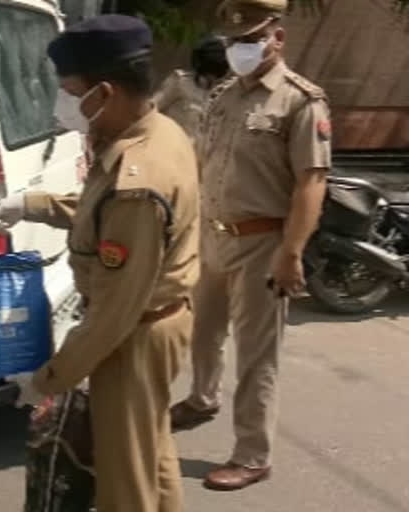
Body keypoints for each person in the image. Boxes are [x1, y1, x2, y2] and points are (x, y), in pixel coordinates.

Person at [0, 15, 200, 512]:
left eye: (68, 90)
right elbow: (97, 213)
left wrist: (47, 377)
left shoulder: (138, 181)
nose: (61, 102)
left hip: (135, 336)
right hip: (157, 321)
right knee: (151, 454)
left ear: (103, 92)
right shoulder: (158, 131)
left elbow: (111, 315)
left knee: (123, 480)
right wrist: (34, 204)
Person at [169, 0, 331, 491]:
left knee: (257, 354)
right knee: (202, 333)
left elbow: (311, 182)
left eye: (251, 40)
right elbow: (203, 164)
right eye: (234, 42)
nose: (241, 49)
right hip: (214, 236)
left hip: (264, 242)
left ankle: (252, 454)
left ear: (276, 38)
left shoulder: (301, 101)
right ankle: (202, 398)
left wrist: (292, 251)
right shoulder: (224, 95)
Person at [152, 35, 230, 140]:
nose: (211, 80)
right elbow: (151, 110)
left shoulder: (222, 94)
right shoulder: (180, 82)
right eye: (207, 75)